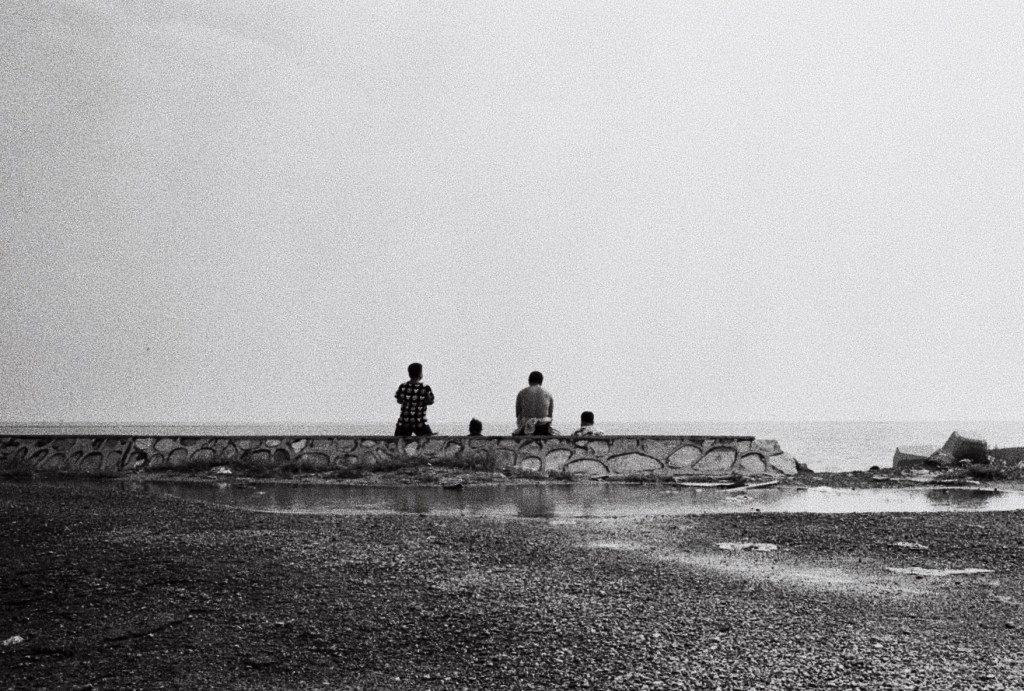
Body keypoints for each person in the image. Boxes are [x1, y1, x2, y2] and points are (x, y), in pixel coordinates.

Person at [394, 362, 434, 436]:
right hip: (420, 421)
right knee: (428, 440)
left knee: (398, 440)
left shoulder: (403, 386)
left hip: (404, 421)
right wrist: (421, 402)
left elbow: (399, 400)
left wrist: (408, 402)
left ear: (409, 374)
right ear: (420, 374)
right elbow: (430, 401)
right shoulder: (425, 387)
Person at [514, 370, 554, 436]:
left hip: (526, 428)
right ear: (541, 382)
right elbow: (550, 415)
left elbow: (517, 413)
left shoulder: (521, 393)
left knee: (521, 415)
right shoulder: (548, 394)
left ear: (529, 381)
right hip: (543, 429)